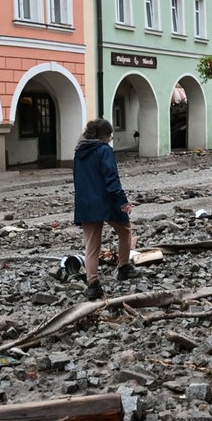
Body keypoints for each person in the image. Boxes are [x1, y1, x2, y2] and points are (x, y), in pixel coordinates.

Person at [73, 118, 140, 300]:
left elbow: (78, 180)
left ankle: (93, 284)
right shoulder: (104, 151)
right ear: (104, 136)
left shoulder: (79, 152)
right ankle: (124, 268)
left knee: (92, 245)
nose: (111, 139)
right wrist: (123, 201)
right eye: (110, 136)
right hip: (107, 200)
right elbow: (111, 178)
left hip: (86, 202)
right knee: (125, 231)